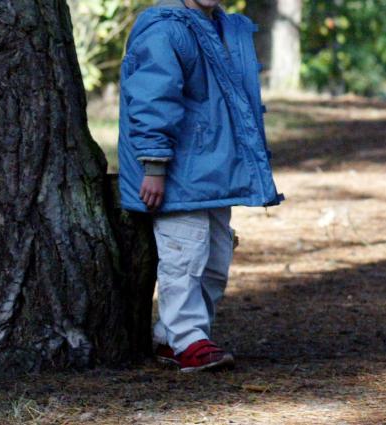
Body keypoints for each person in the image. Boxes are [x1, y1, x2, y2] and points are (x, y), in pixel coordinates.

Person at [118, 0, 283, 372]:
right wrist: (155, 165)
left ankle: (172, 336)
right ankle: (187, 338)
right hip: (177, 172)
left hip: (212, 170)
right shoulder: (164, 28)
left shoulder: (221, 26)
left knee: (214, 258)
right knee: (184, 257)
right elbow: (151, 97)